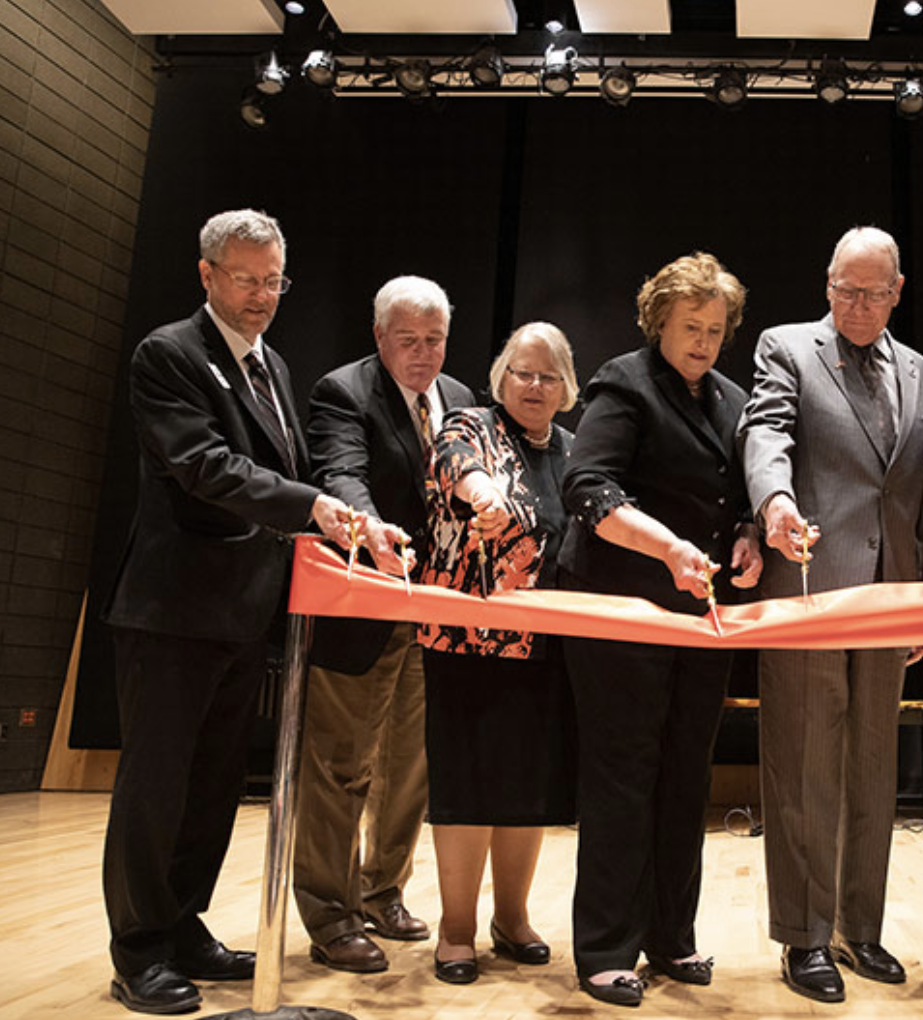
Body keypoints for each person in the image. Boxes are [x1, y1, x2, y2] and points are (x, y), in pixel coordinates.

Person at [100, 209, 360, 1014]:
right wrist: (312, 506)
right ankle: (138, 951)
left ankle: (183, 925)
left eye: (274, 280)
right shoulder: (169, 354)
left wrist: (343, 510)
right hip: (172, 611)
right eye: (245, 279)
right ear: (206, 275)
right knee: (157, 788)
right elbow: (203, 466)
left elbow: (297, 467)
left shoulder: (272, 367)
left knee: (214, 786)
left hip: (245, 613)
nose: (261, 296)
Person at [738, 226, 923, 1003]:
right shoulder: (786, 348)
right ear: (827, 284)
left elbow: (913, 497)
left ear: (898, 292)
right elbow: (766, 429)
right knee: (802, 763)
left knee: (873, 768)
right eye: (844, 290)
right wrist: (776, 501)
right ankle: (802, 937)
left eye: (873, 292)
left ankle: (862, 929)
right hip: (807, 584)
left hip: (890, 597)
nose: (857, 305)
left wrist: (918, 594)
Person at [559, 252, 762, 1007]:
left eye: (715, 330)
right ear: (658, 322)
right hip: (620, 606)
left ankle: (672, 937)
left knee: (687, 774)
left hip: (697, 614)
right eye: (690, 327)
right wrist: (669, 547)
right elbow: (588, 486)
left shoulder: (732, 398)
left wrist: (747, 534)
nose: (704, 342)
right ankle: (607, 947)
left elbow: (734, 496)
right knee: (623, 775)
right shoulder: (624, 380)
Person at [294, 276, 475, 972]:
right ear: (379, 337)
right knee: (341, 766)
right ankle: (329, 912)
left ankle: (381, 891)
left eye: (435, 340)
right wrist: (370, 530)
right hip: (361, 607)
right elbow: (341, 473)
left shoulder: (459, 401)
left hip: (433, 613)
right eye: (409, 341)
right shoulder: (343, 392)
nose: (424, 354)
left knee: (411, 767)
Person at [415, 321, 582, 986]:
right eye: (522, 372)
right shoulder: (469, 424)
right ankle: (455, 930)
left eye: (548, 375)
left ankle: (511, 920)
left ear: (567, 386)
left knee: (527, 785)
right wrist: (483, 491)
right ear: (500, 378)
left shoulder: (575, 450)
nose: (534, 385)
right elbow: (456, 466)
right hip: (467, 642)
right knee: (468, 784)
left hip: (551, 645)